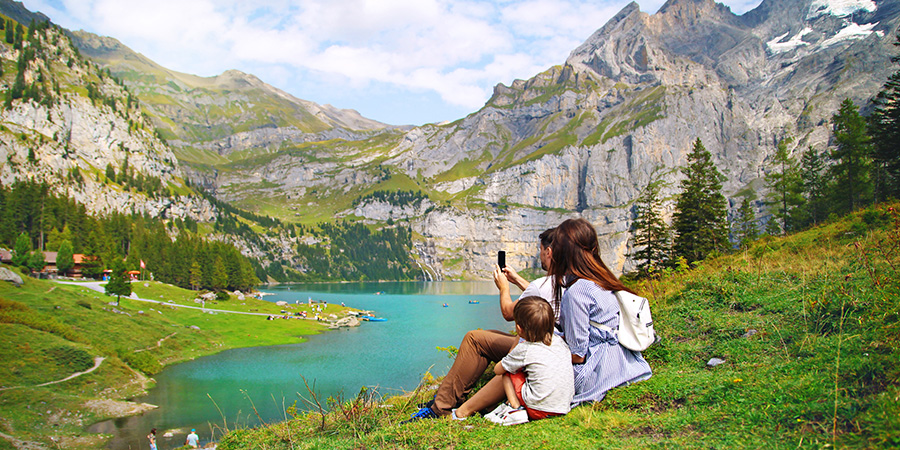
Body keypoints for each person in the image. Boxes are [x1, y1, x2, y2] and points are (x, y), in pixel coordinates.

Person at [403, 228, 562, 422]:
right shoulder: (564, 280)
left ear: (549, 252)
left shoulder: (544, 284)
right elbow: (538, 293)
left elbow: (509, 313)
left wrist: (504, 287)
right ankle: (448, 398)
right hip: (551, 345)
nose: (540, 255)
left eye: (541, 250)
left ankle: (441, 407)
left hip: (537, 347)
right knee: (486, 336)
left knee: (474, 339)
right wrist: (517, 279)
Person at [550, 218, 652, 405]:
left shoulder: (576, 293)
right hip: (626, 363)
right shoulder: (602, 280)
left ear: (562, 254)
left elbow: (578, 355)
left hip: (598, 372)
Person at [450, 296, 574, 424]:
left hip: (538, 409)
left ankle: (515, 408)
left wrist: (513, 349)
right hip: (562, 407)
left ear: (519, 329)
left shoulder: (525, 349)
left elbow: (498, 369)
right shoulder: (559, 342)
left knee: (508, 371)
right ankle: (499, 406)